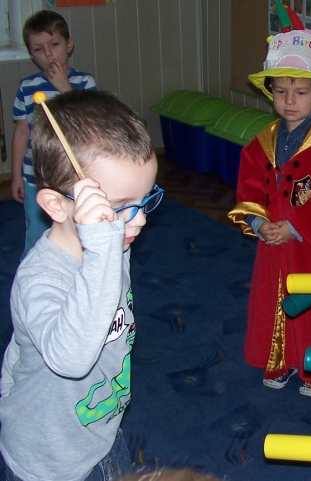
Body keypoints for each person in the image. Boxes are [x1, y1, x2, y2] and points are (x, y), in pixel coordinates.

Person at [0, 90, 160, 480]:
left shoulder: (113, 240)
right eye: (121, 207)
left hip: (98, 431)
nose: (139, 219)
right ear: (57, 206)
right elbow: (71, 361)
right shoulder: (43, 278)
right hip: (48, 458)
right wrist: (103, 246)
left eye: (145, 200)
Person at [228, 0, 311, 396]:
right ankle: (280, 359)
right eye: (281, 91)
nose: (289, 100)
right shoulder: (262, 142)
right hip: (273, 242)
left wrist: (295, 227)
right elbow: (249, 185)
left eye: (300, 92)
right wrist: (257, 222)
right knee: (275, 300)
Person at [10, 10, 97, 260]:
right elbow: (22, 132)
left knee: (77, 230)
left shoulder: (84, 83)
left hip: (73, 175)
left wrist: (65, 89)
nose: (48, 54)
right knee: (37, 233)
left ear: (69, 45)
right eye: (38, 49)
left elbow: (89, 124)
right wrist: (16, 175)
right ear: (31, 55)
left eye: (54, 44)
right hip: (36, 176)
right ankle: (34, 271)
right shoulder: (27, 88)